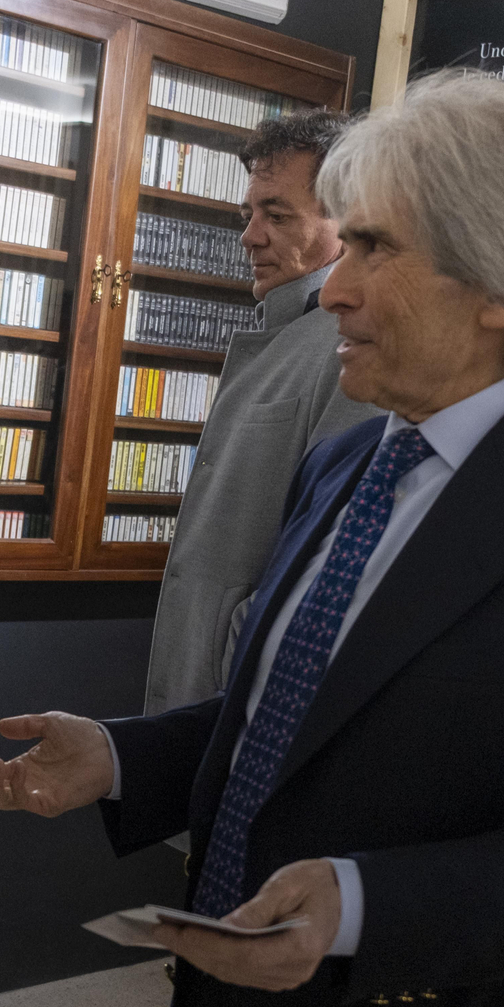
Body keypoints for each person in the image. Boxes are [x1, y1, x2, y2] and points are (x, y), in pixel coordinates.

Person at [0, 71, 504, 1007]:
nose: (333, 289)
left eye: (373, 248)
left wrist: (364, 905)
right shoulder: (347, 463)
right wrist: (121, 758)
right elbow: (300, 717)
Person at [144, 111, 382, 717]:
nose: (250, 236)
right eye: (248, 214)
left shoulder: (350, 343)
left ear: (350, 221)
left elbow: (332, 554)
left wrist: (240, 653)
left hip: (246, 705)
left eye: (278, 216)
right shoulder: (292, 331)